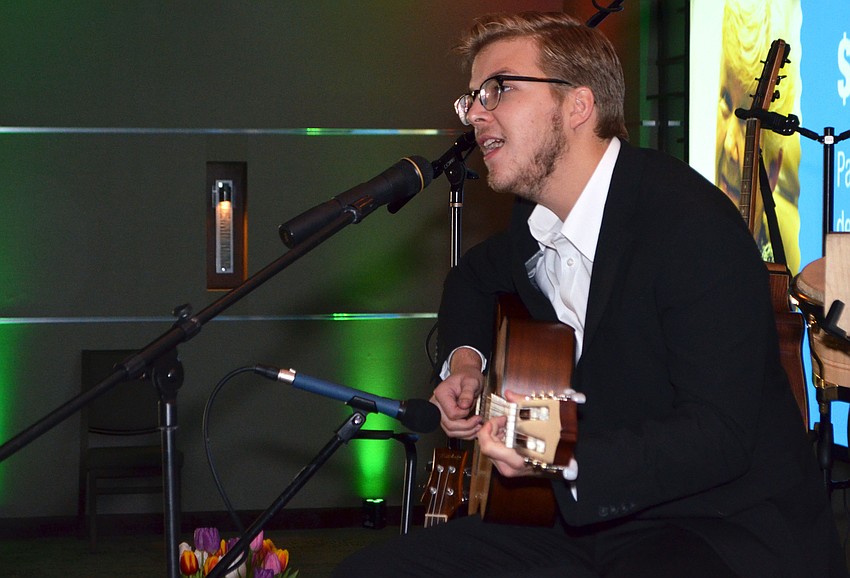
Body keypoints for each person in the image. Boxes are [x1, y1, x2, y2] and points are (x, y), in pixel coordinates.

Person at [333, 11, 846, 578]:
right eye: (472, 98)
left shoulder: (688, 223)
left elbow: (718, 436)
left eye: (497, 89)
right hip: (584, 522)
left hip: (721, 529)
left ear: (578, 106)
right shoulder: (533, 222)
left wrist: (560, 452)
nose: (476, 112)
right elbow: (471, 281)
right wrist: (464, 364)